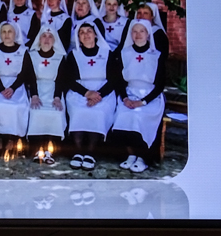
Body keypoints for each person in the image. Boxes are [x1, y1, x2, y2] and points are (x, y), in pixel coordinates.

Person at [111, 19, 166, 173]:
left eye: (142, 31)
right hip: (129, 94)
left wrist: (142, 102)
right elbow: (119, 80)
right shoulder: (124, 53)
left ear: (148, 34)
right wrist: (125, 98)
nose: (138, 34)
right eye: (134, 31)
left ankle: (143, 157)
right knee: (123, 114)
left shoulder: (156, 55)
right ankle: (131, 154)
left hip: (150, 96)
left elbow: (160, 84)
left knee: (140, 116)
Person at [64, 21, 117, 170]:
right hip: (80, 91)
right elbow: (69, 79)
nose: (86, 35)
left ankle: (90, 153)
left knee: (98, 112)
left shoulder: (107, 53)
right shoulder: (73, 55)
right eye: (82, 32)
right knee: (79, 111)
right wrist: (87, 93)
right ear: (78, 38)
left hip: (103, 92)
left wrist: (99, 95)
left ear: (95, 35)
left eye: (89, 31)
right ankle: (78, 151)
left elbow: (114, 79)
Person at [0, 21, 33, 155]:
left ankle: (12, 137)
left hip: (16, 85)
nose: (6, 35)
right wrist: (1, 89)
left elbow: (25, 73)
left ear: (15, 34)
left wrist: (12, 88)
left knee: (17, 106)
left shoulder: (23, 51)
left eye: (9, 31)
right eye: (4, 32)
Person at [26, 26, 67, 164]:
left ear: (54, 40)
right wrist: (34, 95)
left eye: (50, 37)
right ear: (39, 39)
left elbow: (61, 79)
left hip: (54, 90)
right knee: (35, 111)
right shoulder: (31, 55)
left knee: (56, 112)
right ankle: (38, 149)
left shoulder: (60, 57)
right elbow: (30, 77)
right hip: (36, 90)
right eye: (44, 36)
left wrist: (57, 97)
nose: (47, 39)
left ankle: (50, 150)